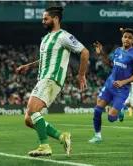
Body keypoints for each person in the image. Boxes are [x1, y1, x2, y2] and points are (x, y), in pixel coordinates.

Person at [16, 6, 89, 157]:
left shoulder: (63, 36)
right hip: (43, 78)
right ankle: (62, 137)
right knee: (29, 120)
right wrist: (28, 66)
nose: (43, 22)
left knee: (32, 108)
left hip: (51, 78)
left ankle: (44, 146)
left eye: (45, 19)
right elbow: (44, 59)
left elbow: (84, 52)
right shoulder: (46, 39)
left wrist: (81, 74)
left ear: (55, 19)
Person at [89, 28, 133, 143]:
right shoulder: (118, 50)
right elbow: (110, 63)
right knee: (98, 109)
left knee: (111, 118)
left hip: (122, 89)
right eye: (125, 37)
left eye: (130, 37)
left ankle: (121, 109)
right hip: (110, 85)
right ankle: (97, 136)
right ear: (122, 38)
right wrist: (101, 54)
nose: (127, 39)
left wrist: (123, 82)